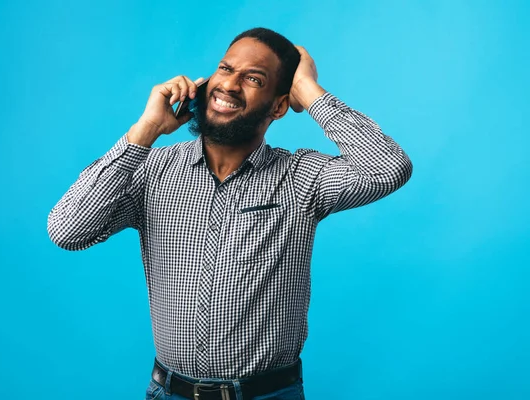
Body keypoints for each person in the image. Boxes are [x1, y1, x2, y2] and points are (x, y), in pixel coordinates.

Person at [47, 27, 413, 400]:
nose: (230, 85)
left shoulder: (301, 178)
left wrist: (309, 91)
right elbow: (67, 230)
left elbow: (388, 168)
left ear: (279, 106)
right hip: (169, 393)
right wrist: (146, 130)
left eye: (254, 78)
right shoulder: (151, 170)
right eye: (225, 69)